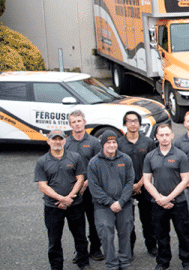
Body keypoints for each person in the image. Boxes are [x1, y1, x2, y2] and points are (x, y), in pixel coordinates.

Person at [35, 129, 91, 270]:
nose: (57, 142)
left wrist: (70, 197)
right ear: (48, 141)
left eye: (60, 139)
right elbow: (43, 185)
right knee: (54, 239)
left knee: (80, 237)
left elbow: (80, 179)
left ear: (65, 141)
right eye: (54, 139)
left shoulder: (75, 157)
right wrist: (61, 198)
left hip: (75, 204)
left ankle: (83, 263)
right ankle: (56, 266)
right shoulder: (42, 161)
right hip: (53, 206)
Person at [143, 122, 189, 270]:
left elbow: (185, 180)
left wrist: (169, 197)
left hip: (178, 202)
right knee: (161, 235)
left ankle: (186, 261)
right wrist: (160, 199)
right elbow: (147, 181)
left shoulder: (180, 155)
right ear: (157, 137)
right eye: (161, 135)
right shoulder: (150, 156)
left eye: (167, 135)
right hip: (157, 203)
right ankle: (163, 262)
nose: (164, 138)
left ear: (172, 135)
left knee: (183, 234)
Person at [86, 131, 136, 270]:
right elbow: (94, 187)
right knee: (106, 236)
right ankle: (112, 264)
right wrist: (110, 202)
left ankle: (125, 262)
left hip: (124, 204)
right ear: (102, 145)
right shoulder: (94, 162)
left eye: (114, 142)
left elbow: (130, 181)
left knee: (125, 234)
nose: (112, 145)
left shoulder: (125, 159)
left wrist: (121, 202)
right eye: (108, 142)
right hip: (103, 206)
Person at [65, 110, 105, 262]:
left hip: (91, 189)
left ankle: (95, 248)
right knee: (76, 224)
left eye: (79, 121)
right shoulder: (66, 143)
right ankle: (80, 251)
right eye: (74, 122)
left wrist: (86, 182)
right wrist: (75, 187)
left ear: (84, 122)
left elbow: (100, 165)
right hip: (74, 190)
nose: (77, 124)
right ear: (70, 124)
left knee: (94, 221)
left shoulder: (94, 142)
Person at [117, 111, 158, 258]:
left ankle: (152, 246)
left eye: (135, 121)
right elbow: (116, 166)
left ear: (139, 124)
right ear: (125, 123)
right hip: (125, 187)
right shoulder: (119, 143)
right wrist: (130, 186)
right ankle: (129, 249)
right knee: (127, 221)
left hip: (145, 186)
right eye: (129, 121)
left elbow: (153, 166)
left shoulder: (148, 142)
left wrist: (140, 183)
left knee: (148, 220)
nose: (133, 123)